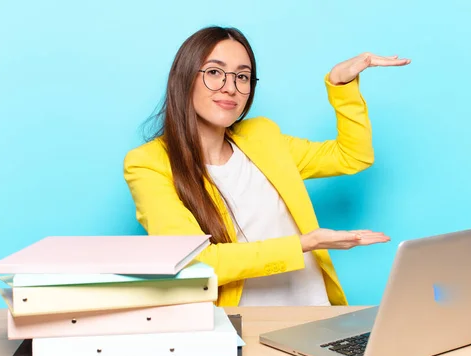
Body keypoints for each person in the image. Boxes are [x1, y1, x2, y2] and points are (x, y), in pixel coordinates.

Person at [123, 26, 410, 307]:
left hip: (316, 312)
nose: (230, 87)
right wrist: (303, 243)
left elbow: (352, 156)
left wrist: (341, 86)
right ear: (183, 78)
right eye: (214, 72)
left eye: (243, 76)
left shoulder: (262, 137)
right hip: (242, 325)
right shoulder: (148, 164)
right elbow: (195, 261)